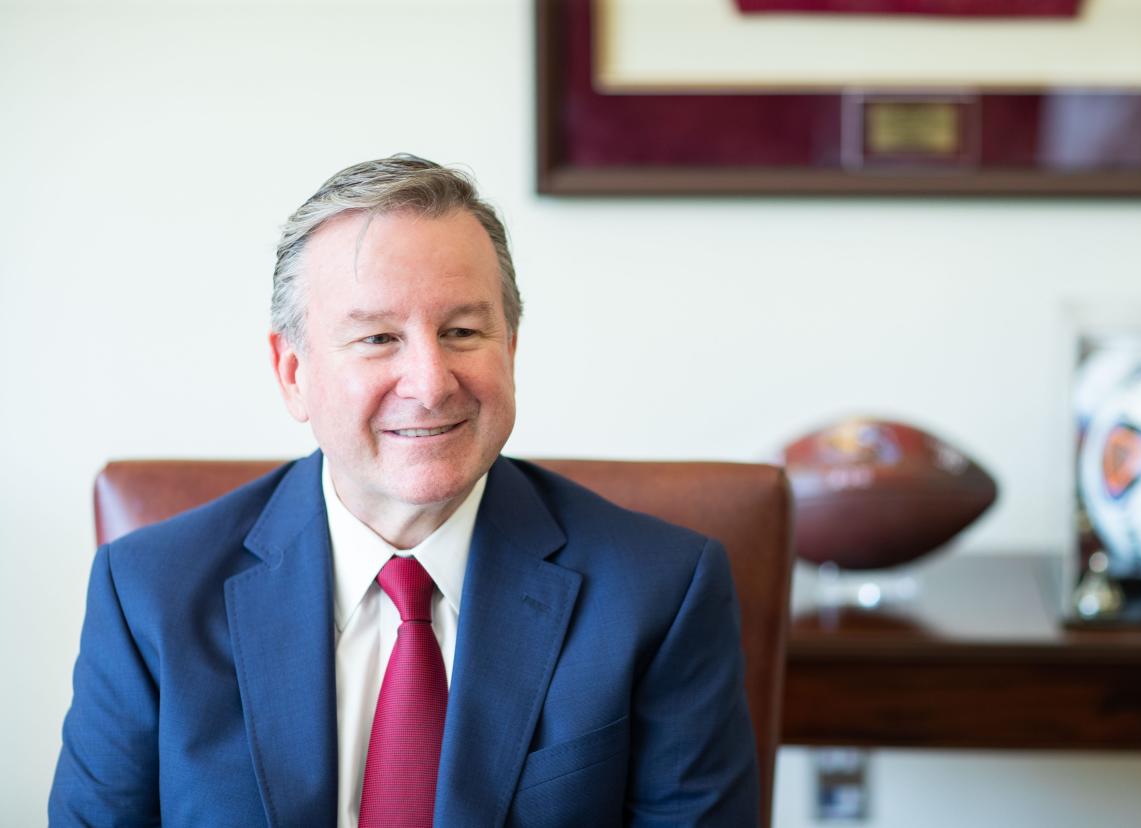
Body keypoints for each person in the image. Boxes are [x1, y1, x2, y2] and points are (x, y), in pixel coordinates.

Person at [49, 154, 759, 826]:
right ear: (292, 371)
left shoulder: (661, 594)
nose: (430, 383)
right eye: (379, 338)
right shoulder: (148, 594)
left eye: (462, 330)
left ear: (510, 348)